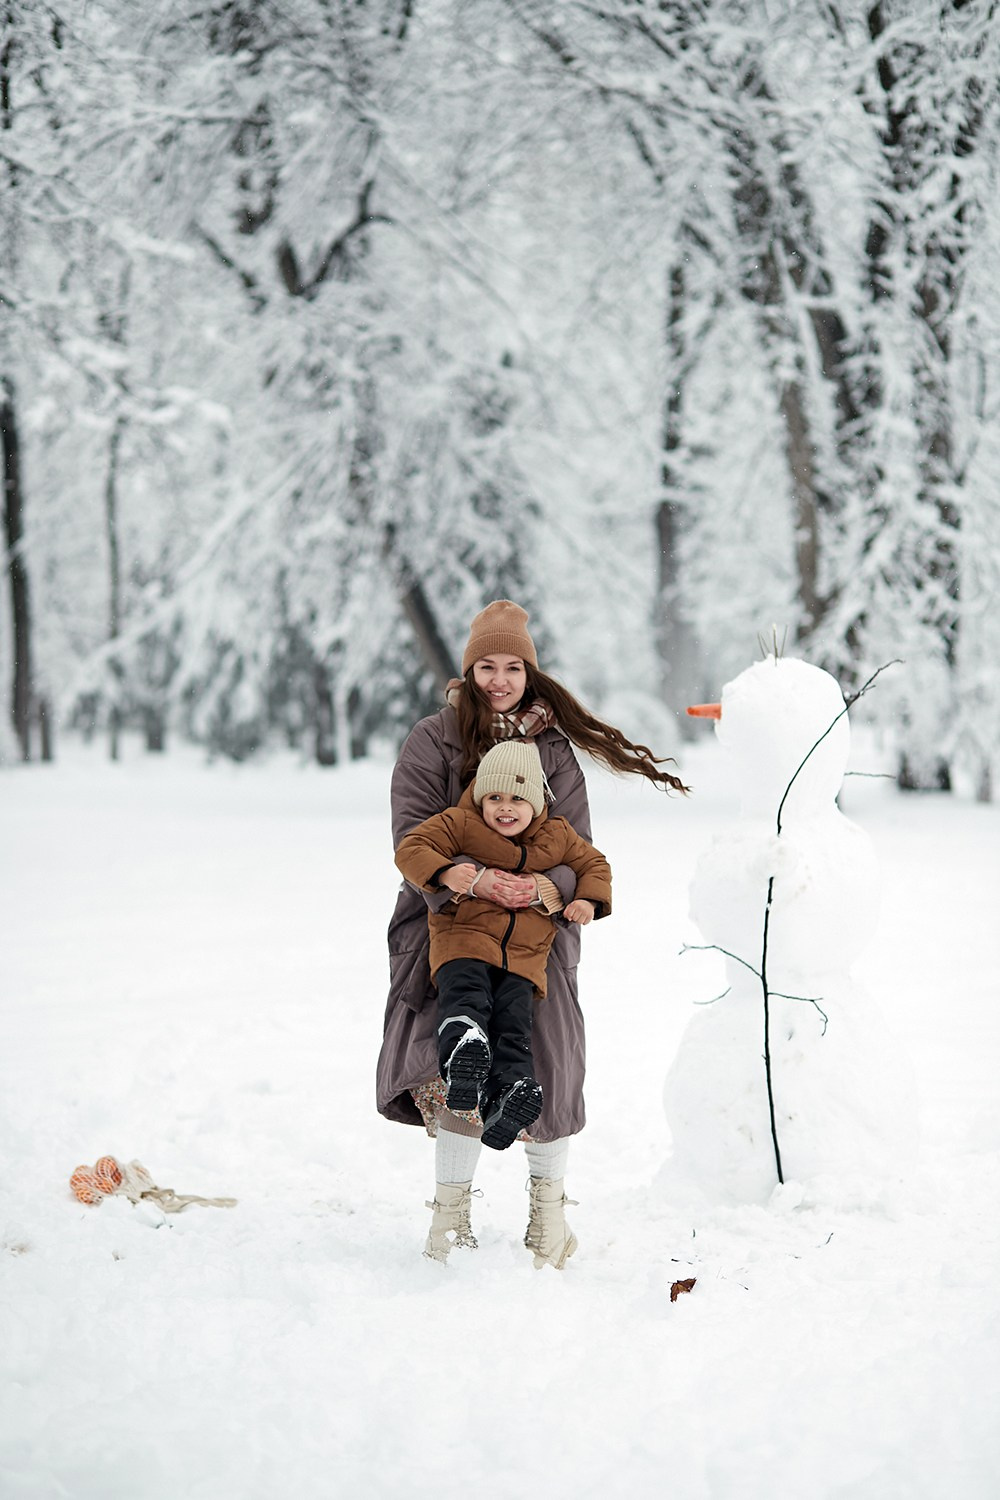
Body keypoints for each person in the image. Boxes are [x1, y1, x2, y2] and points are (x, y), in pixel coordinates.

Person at [377, 599, 689, 1269]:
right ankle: (449, 1222)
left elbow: (580, 851)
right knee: (455, 1064)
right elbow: (413, 838)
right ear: (468, 669)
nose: (498, 679)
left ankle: (548, 1221)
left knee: (544, 1065)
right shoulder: (434, 740)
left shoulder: (554, 751)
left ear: (529, 672)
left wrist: (553, 891)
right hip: (450, 930)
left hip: (534, 939)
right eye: (485, 665)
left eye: (512, 667)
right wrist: (476, 881)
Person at [394, 739, 612, 1160]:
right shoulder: (458, 823)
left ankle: (509, 1095)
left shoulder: (558, 835)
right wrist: (448, 872)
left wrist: (587, 899)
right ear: (480, 797)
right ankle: (462, 1052)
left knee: (516, 1027)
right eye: (494, 797)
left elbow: (595, 865)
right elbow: (411, 848)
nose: (504, 808)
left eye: (516, 798)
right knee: (466, 997)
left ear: (536, 802)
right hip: (464, 941)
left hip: (523, 961)